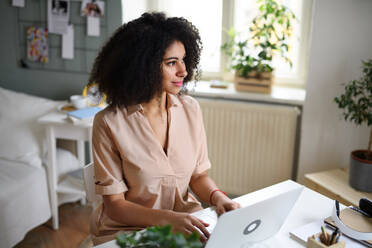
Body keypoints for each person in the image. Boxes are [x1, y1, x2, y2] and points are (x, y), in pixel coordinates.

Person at [88, 12, 240, 245]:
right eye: (171, 63)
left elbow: (198, 176)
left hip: (185, 220)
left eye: (183, 60)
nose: (184, 71)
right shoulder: (109, 122)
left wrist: (218, 197)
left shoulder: (191, 109)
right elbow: (115, 206)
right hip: (128, 229)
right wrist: (167, 220)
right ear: (143, 66)